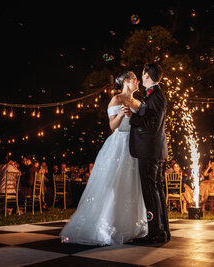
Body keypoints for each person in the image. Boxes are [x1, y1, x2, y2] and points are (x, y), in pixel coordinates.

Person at [59, 70, 147, 246]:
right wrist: (122, 114)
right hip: (119, 145)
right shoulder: (116, 99)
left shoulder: (138, 102)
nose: (138, 82)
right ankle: (109, 225)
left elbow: (142, 125)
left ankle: (130, 226)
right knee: (114, 184)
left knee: (131, 185)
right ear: (126, 82)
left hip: (135, 147)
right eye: (135, 79)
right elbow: (113, 126)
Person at [126, 62, 170, 243]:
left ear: (146, 75)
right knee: (156, 190)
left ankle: (156, 233)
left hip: (150, 152)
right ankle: (162, 230)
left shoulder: (156, 97)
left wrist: (132, 117)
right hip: (152, 151)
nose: (140, 75)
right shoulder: (153, 96)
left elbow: (152, 125)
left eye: (142, 73)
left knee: (151, 191)